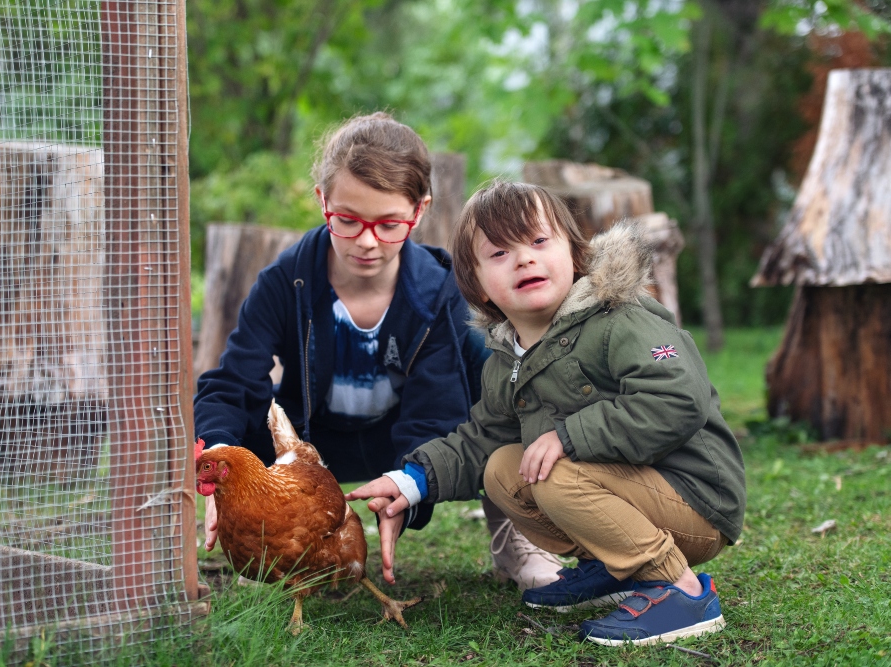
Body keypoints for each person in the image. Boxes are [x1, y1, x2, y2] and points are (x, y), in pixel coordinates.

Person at [348, 180, 746, 646]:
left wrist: (569, 436)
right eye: (499, 253)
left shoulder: (619, 318)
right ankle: (614, 569)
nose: (524, 258)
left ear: (574, 255)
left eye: (539, 241)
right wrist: (411, 482)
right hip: (630, 498)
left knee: (554, 471)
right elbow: (484, 439)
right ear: (477, 285)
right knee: (503, 468)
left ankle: (681, 592)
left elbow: (678, 398)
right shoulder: (506, 358)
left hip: (695, 501)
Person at [193, 114, 563, 588]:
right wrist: (223, 460)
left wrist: (409, 491)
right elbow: (234, 380)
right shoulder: (285, 281)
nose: (367, 242)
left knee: (495, 369)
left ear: (419, 209)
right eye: (347, 220)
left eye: (389, 224)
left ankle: (517, 530)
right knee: (237, 416)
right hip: (311, 443)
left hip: (406, 436)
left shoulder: (439, 290)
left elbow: (436, 409)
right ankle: (267, 541)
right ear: (322, 200)